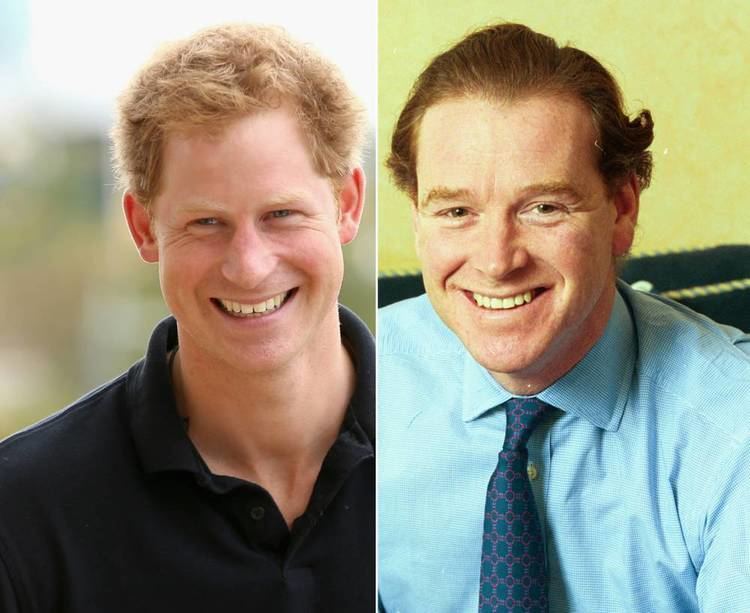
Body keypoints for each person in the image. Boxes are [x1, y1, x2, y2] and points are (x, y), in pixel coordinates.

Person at [0, 24, 374, 612]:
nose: (249, 267)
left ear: (348, 204)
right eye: (206, 222)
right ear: (144, 227)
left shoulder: (475, 459)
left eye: (281, 214)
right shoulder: (22, 513)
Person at [378, 22, 750, 612]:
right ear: (417, 221)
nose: (497, 260)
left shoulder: (733, 434)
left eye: (544, 207)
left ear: (622, 210)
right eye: (455, 210)